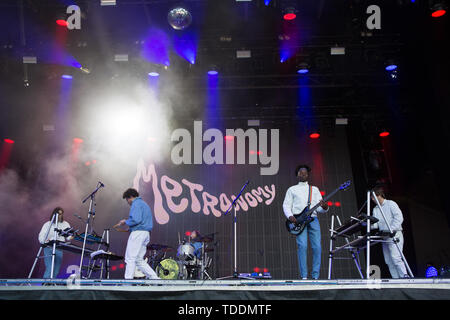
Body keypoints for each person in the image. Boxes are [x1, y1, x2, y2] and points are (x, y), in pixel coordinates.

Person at [283, 165, 328, 280]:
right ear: (297, 174)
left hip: (313, 219)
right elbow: (286, 205)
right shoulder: (292, 189)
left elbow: (320, 209)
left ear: (308, 175)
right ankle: (304, 276)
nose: (303, 174)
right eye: (300, 172)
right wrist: (290, 216)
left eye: (305, 173)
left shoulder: (315, 189)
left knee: (317, 247)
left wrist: (324, 207)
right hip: (299, 221)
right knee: (302, 246)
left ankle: (315, 276)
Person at [114, 188, 159, 280]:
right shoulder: (144, 204)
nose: (127, 202)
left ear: (130, 197)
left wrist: (125, 222)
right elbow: (141, 221)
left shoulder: (136, 203)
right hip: (145, 233)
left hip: (138, 234)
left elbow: (136, 219)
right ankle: (155, 279)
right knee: (138, 260)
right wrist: (130, 228)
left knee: (130, 258)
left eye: (127, 200)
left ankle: (128, 281)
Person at [371, 186, 408, 278]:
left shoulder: (391, 204)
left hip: (395, 234)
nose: (372, 199)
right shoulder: (375, 209)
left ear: (379, 195)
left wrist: (391, 229)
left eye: (373, 197)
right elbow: (375, 225)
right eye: (371, 198)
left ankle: (405, 277)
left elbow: (399, 217)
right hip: (384, 236)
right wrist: (367, 223)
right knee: (388, 261)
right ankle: (395, 279)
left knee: (396, 258)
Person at [38, 207, 73, 279]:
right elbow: (41, 236)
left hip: (59, 248)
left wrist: (72, 236)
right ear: (54, 214)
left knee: (56, 269)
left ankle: (52, 283)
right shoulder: (48, 224)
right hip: (48, 247)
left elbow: (68, 237)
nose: (60, 215)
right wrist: (44, 241)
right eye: (58, 214)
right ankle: (46, 284)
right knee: (50, 267)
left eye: (61, 214)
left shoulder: (65, 224)